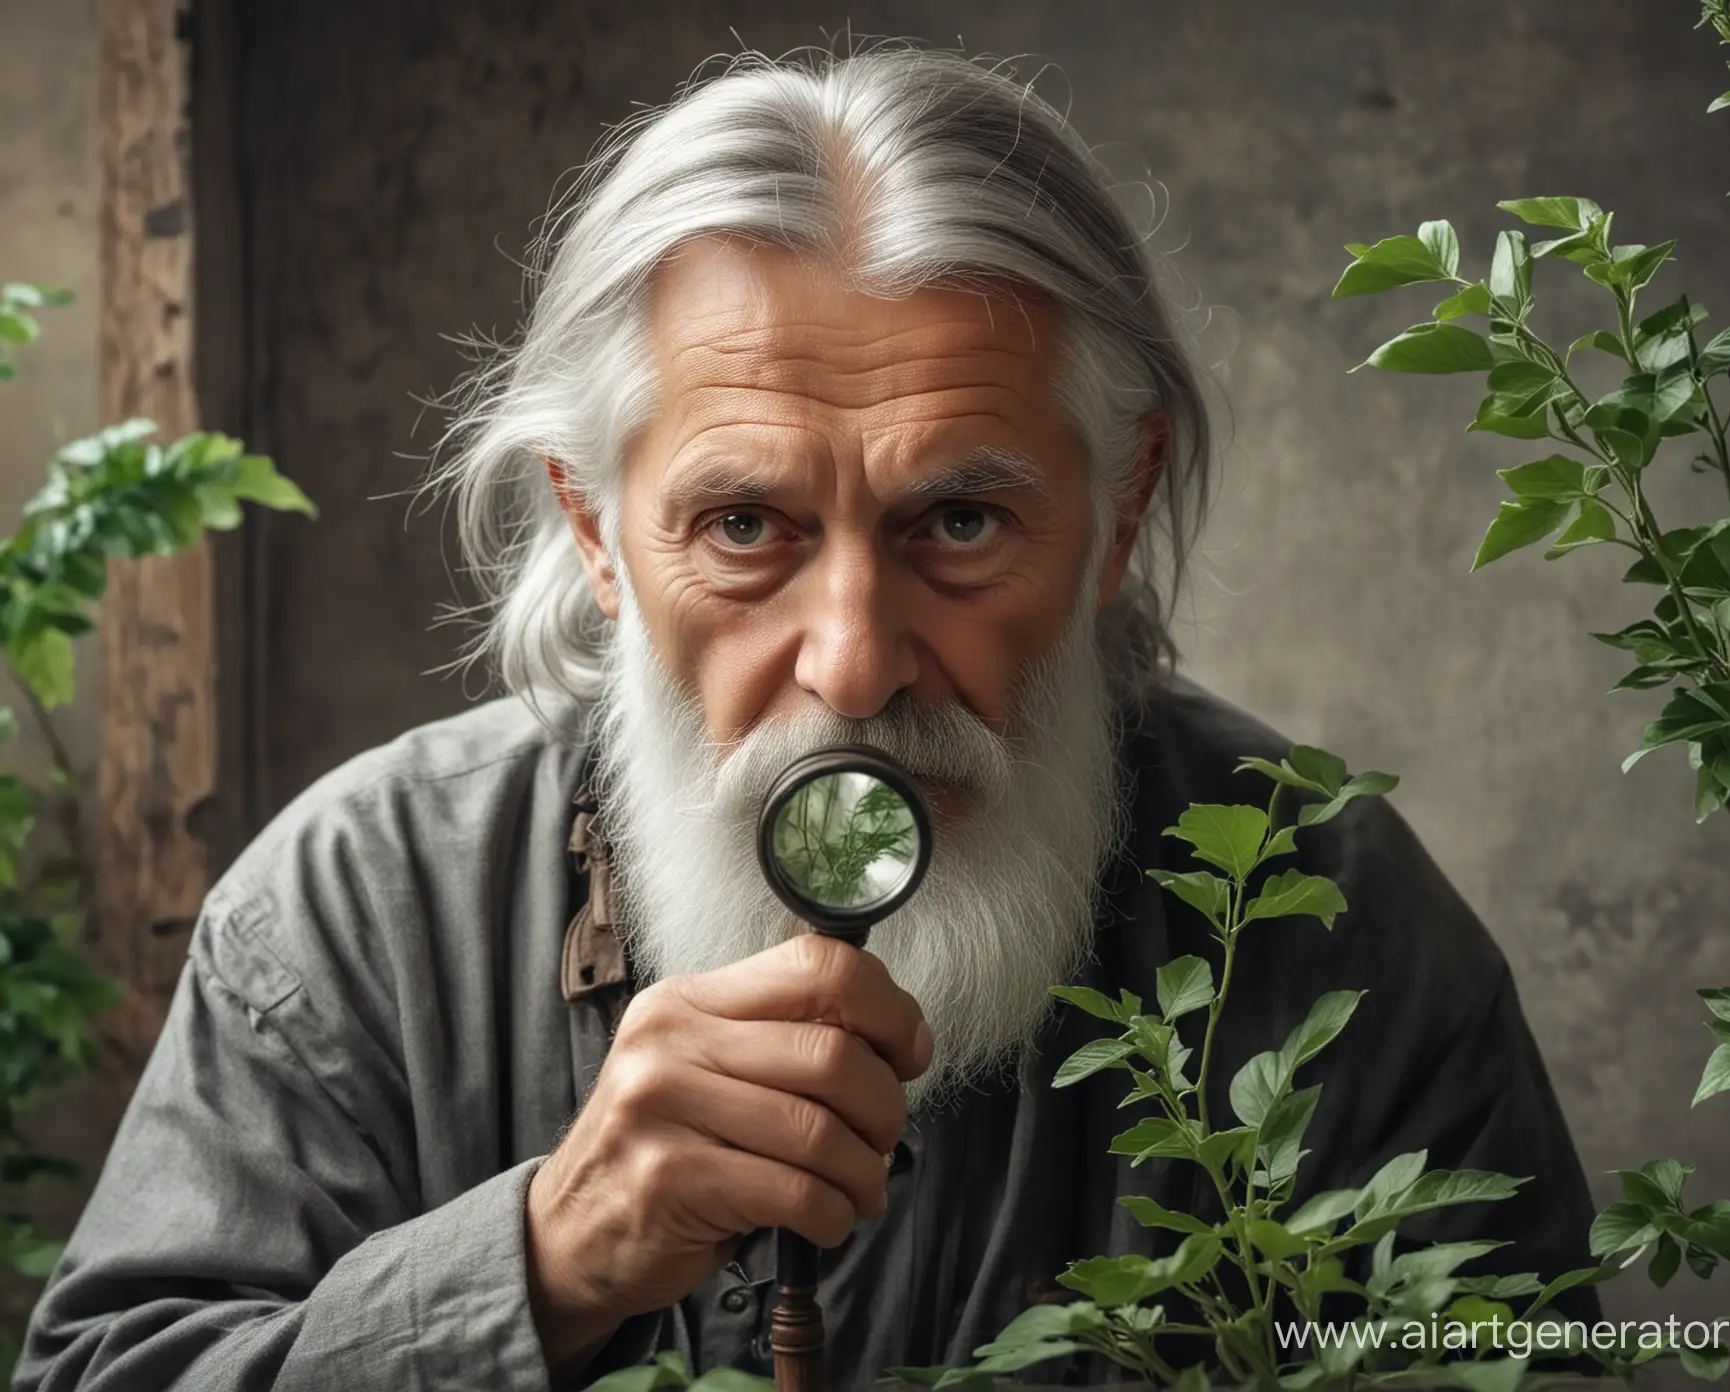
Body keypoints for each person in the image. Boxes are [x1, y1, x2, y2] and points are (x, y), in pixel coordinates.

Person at [17, 45, 1599, 1391]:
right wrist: (547, 1262)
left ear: (1120, 510)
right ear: (592, 532)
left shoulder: (1338, 923)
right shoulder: (354, 918)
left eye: (961, 524)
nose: (852, 665)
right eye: (745, 528)